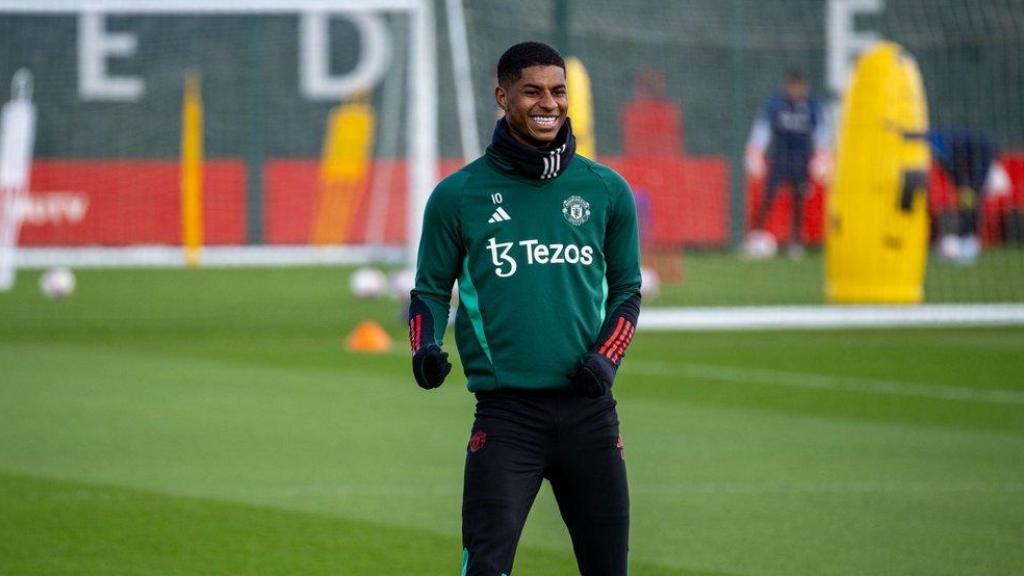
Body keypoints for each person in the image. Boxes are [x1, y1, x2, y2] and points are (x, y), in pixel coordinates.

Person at [408, 41, 641, 576]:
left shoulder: (606, 190)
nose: (549, 103)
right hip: (506, 417)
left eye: (558, 91)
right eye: (532, 90)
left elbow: (628, 291)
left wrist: (606, 359)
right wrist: (424, 347)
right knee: (486, 567)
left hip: (590, 415)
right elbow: (428, 291)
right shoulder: (457, 194)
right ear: (502, 94)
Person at [745, 70, 830, 259]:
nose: (795, 91)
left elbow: (822, 132)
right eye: (792, 87)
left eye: (798, 87)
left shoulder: (812, 105)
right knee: (769, 195)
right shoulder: (776, 104)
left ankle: (796, 242)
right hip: (779, 156)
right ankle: (756, 235)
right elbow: (763, 128)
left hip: (801, 157)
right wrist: (755, 151)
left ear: (804, 88)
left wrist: (822, 156)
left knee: (799, 198)